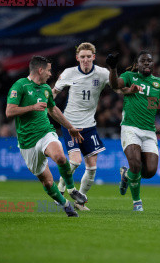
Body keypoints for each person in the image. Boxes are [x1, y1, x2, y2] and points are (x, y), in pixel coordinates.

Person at [52, 42, 139, 211]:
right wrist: (45, 103)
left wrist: (131, 91)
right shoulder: (69, 73)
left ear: (94, 56)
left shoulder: (102, 73)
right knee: (75, 162)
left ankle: (80, 201)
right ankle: (61, 189)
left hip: (89, 125)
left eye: (88, 57)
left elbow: (118, 89)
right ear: (77, 58)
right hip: (70, 124)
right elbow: (54, 92)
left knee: (92, 168)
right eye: (82, 57)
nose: (85, 60)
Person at [106, 50, 160, 211]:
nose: (146, 63)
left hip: (149, 132)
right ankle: (137, 202)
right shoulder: (130, 76)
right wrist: (113, 69)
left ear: (153, 64)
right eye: (143, 61)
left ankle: (126, 175)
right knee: (136, 164)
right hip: (130, 127)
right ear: (137, 64)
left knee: (150, 171)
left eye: (149, 61)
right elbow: (115, 85)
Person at [5, 55, 88, 217]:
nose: (51, 74)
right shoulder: (20, 86)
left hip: (45, 133)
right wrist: (32, 107)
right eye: (49, 71)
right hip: (27, 142)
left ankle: (71, 189)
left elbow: (53, 110)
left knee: (61, 158)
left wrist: (70, 127)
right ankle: (64, 204)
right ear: (40, 70)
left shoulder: (46, 89)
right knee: (48, 182)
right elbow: (9, 112)